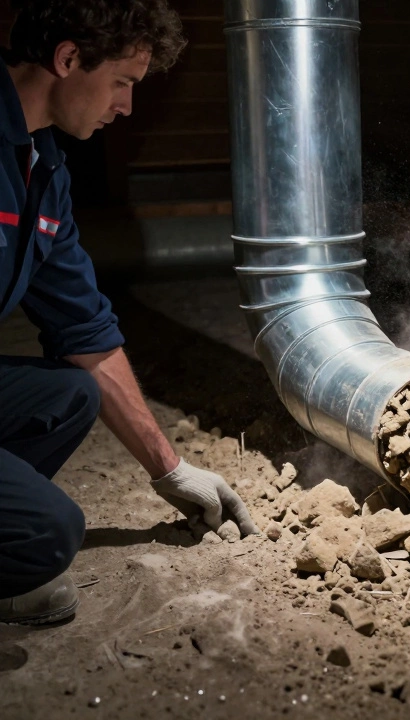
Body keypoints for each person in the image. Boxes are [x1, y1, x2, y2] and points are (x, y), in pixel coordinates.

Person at [0, 0, 256, 626]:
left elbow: (83, 329)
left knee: (68, 394)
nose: (126, 106)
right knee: (49, 533)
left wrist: (170, 471)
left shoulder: (43, 167)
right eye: (123, 82)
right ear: (67, 59)